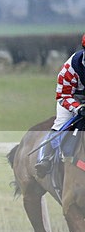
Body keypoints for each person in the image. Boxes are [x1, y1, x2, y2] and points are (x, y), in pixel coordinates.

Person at [35, 33, 85, 178]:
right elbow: (63, 95)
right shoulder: (70, 68)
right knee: (61, 124)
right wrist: (78, 107)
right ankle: (45, 158)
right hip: (71, 100)